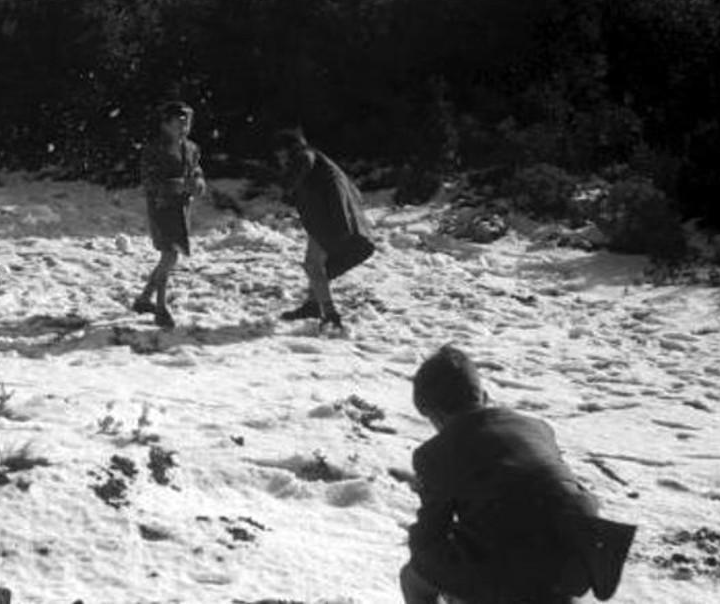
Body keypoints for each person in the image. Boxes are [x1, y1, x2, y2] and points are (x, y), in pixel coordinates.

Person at [401, 345, 636, 604]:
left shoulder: (436, 453)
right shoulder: (537, 428)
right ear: (485, 396)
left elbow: (429, 538)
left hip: (510, 570)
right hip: (578, 558)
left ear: (434, 415)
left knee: (415, 576)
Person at [272, 129, 374, 330]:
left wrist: (286, 184)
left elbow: (299, 169)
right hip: (325, 220)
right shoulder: (318, 160)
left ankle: (330, 314)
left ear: (288, 149)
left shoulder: (304, 156)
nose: (279, 157)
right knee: (315, 264)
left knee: (314, 266)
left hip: (330, 222)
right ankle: (313, 305)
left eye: (280, 152)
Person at [132, 101, 205, 329]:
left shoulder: (192, 148)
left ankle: (144, 299)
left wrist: (199, 182)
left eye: (187, 124)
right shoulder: (154, 150)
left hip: (181, 209)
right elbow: (150, 181)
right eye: (179, 123)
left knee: (169, 256)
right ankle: (161, 307)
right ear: (165, 124)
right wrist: (180, 185)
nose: (184, 128)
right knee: (170, 256)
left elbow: (196, 170)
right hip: (162, 208)